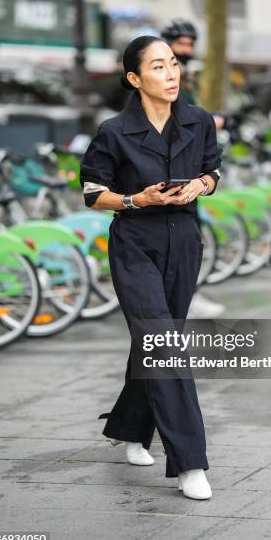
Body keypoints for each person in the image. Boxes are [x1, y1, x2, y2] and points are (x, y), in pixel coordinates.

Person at [79, 35, 222, 500]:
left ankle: (128, 426)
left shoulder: (199, 121)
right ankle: (190, 462)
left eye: (175, 64)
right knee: (164, 341)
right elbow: (91, 192)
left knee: (157, 342)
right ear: (135, 79)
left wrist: (200, 185)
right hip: (135, 243)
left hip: (183, 240)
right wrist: (134, 199)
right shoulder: (115, 131)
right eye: (159, 66)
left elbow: (213, 171)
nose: (172, 73)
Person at [160, 18, 225, 318]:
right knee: (183, 232)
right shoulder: (165, 74)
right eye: (180, 44)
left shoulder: (181, 74)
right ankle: (185, 295)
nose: (186, 49)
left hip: (184, 161)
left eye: (189, 44)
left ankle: (180, 293)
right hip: (169, 163)